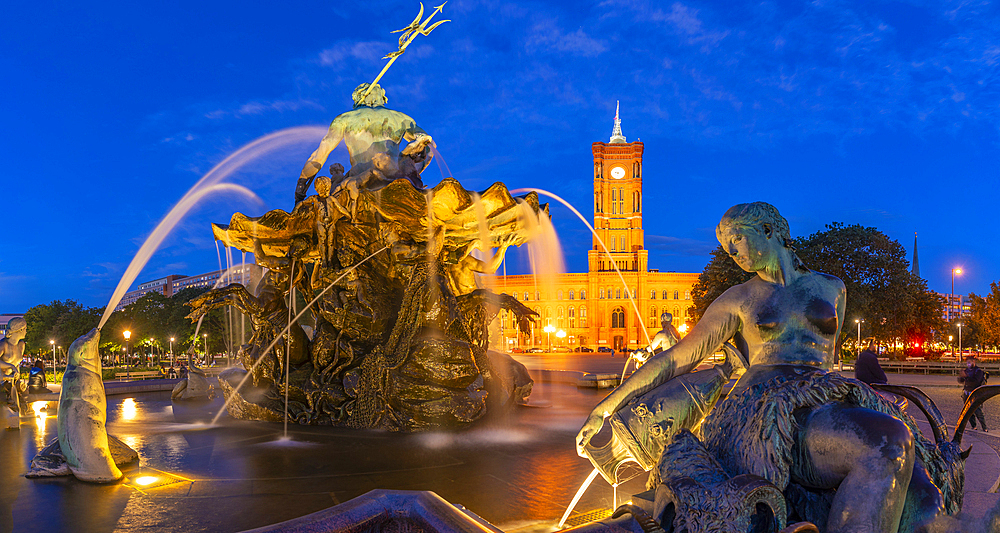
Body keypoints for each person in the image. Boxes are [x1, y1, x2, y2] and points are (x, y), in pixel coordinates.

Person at [575, 202, 954, 532]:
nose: (731, 252)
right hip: (766, 410)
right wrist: (605, 407)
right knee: (887, 442)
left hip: (824, 398)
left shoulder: (832, 287)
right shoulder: (738, 299)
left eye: (736, 239)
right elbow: (677, 358)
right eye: (726, 247)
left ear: (767, 230)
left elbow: (829, 357)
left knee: (923, 492)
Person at [296, 82, 433, 204]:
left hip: (360, 180)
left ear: (359, 98)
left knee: (327, 207)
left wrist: (301, 184)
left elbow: (320, 155)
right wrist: (409, 166)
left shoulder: (345, 119)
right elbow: (429, 148)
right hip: (397, 177)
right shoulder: (402, 119)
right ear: (381, 97)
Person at [958, 355, 989, 432]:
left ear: (973, 362)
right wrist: (961, 376)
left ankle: (984, 427)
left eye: (969, 362)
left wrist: (967, 376)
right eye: (967, 363)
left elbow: (976, 382)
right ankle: (973, 426)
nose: (968, 364)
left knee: (977, 411)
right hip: (966, 393)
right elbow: (961, 381)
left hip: (975, 393)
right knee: (968, 411)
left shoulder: (978, 371)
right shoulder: (967, 370)